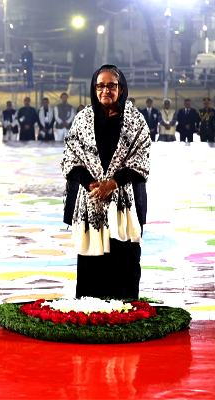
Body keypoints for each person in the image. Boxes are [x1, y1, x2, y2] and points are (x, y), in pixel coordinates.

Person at [61, 64, 150, 299]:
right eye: (100, 86)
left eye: (112, 85)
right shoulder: (83, 120)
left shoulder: (135, 121)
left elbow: (141, 160)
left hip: (124, 204)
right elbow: (70, 156)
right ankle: (91, 314)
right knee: (92, 261)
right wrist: (91, 184)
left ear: (121, 88)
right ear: (94, 88)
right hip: (90, 203)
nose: (106, 90)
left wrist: (113, 183)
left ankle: (125, 311)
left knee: (125, 258)